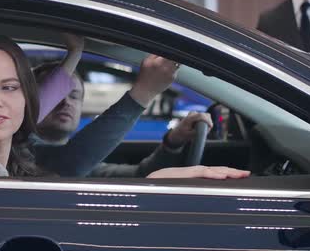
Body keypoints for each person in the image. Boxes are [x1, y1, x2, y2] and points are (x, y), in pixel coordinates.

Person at [32, 62, 250, 179]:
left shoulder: (86, 164)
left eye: (75, 95)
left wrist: (173, 142)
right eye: (57, 94)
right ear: (30, 102)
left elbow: (140, 175)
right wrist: (144, 91)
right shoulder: (22, 155)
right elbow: (67, 165)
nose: (66, 103)